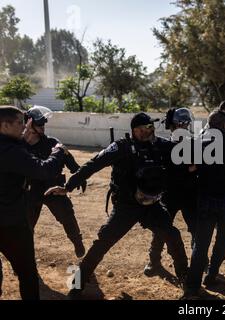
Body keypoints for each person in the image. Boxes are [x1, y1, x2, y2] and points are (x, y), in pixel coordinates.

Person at [46, 113, 188, 298]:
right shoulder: (121, 147)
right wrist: (68, 186)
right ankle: (78, 283)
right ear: (136, 130)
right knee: (103, 242)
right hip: (126, 207)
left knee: (172, 235)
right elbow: (93, 164)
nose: (150, 131)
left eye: (151, 127)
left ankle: (188, 281)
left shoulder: (160, 145)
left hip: (151, 205)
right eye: (146, 128)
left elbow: (184, 152)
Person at [0, 105, 66, 300]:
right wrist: (58, 151)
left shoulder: (12, 146)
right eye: (20, 123)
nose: (25, 127)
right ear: (4, 125)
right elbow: (43, 170)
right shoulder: (11, 150)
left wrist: (22, 143)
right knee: (27, 273)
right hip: (10, 223)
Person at [182, 110, 225, 299]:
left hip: (206, 199)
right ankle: (211, 276)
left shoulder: (199, 143)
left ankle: (192, 287)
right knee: (222, 241)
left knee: (201, 244)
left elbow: (190, 168)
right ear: (224, 125)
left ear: (209, 124)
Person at [23, 106, 85, 258]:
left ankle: (77, 241)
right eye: (39, 124)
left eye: (44, 124)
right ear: (29, 124)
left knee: (67, 217)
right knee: (25, 227)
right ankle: (26, 258)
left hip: (53, 189)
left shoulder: (52, 142)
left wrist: (79, 176)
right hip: (30, 191)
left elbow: (70, 160)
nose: (42, 127)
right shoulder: (19, 146)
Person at [144, 107, 198, 276]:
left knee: (196, 229)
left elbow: (196, 167)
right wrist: (187, 168)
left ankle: (200, 261)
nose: (183, 126)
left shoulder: (191, 144)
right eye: (181, 124)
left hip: (189, 194)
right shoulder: (166, 145)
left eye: (185, 124)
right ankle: (154, 260)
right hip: (171, 193)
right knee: (162, 227)